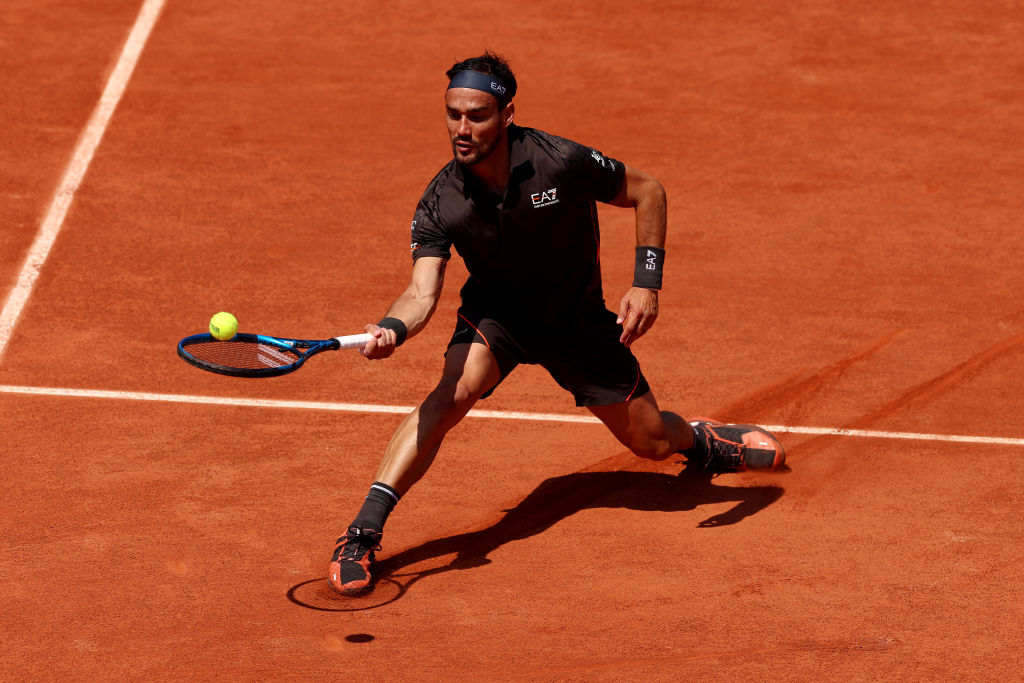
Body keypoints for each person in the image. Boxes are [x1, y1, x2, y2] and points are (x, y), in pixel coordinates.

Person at [328, 52, 785, 595]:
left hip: (576, 323)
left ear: (507, 114)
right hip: (499, 318)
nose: (462, 129)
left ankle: (701, 441)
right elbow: (421, 293)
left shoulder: (559, 160)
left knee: (653, 442)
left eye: (477, 115)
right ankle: (362, 532)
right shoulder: (441, 200)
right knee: (450, 395)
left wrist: (646, 282)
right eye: (453, 115)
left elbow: (648, 191)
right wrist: (392, 328)